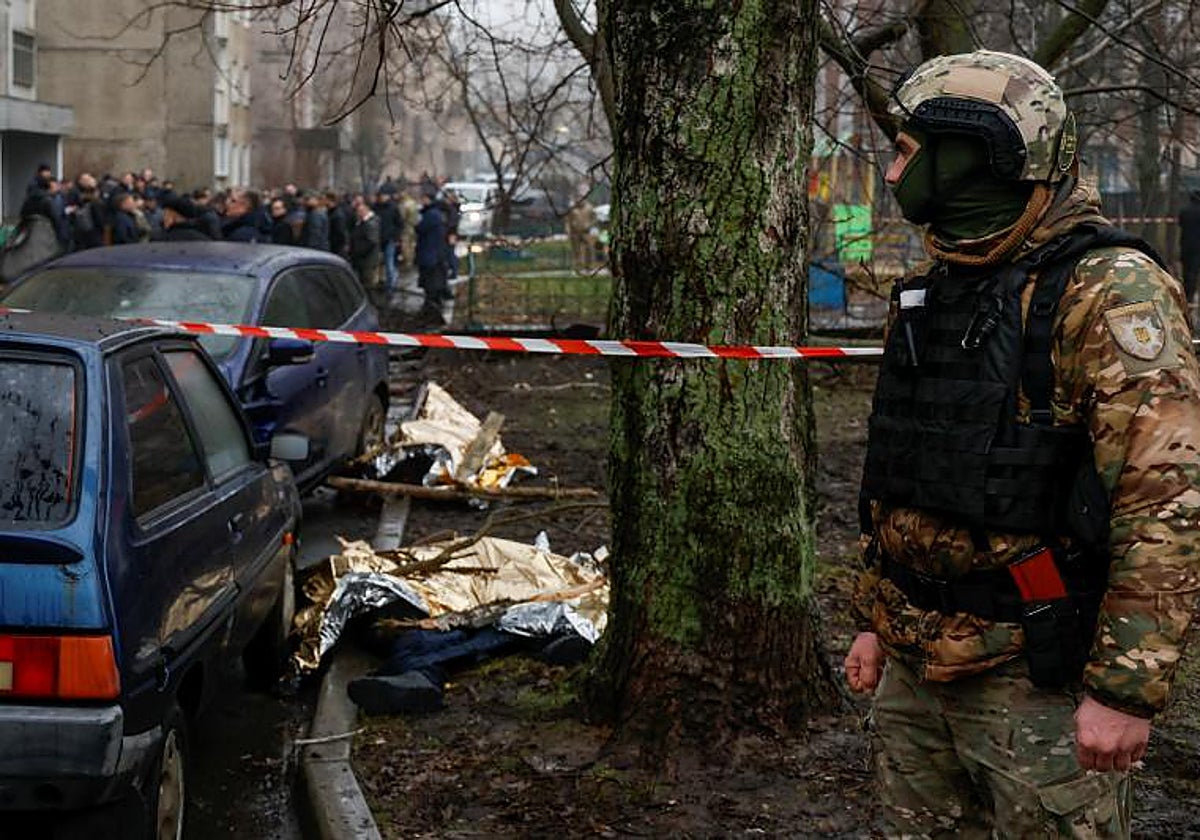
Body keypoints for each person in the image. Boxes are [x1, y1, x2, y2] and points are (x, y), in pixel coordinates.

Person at [846, 50, 1200, 838]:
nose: (893, 165)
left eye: (907, 148)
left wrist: (1123, 690)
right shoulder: (938, 282)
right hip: (915, 669)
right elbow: (902, 467)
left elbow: (1167, 500)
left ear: (975, 155)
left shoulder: (1107, 289)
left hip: (1034, 676)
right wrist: (875, 618)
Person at [415, 190, 448, 321]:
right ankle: (431, 307)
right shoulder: (434, 213)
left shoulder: (431, 214)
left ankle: (432, 309)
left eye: (423, 198)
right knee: (432, 282)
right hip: (433, 253)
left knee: (431, 283)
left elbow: (420, 228)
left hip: (430, 254)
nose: (421, 201)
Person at [349, 194, 381, 287]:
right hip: (363, 258)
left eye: (360, 212)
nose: (358, 214)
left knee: (367, 285)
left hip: (367, 259)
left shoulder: (370, 224)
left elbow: (371, 242)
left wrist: (358, 251)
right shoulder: (362, 222)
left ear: (366, 211)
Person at [374, 192, 401, 292]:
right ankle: (381, 282)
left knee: (389, 263)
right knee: (380, 263)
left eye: (384, 195)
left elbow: (399, 223)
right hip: (378, 238)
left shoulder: (393, 208)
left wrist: (396, 237)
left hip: (389, 239)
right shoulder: (375, 207)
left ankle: (391, 285)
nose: (382, 198)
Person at [1179, 190, 1200, 310]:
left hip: (1186, 247)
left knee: (1188, 275)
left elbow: (1181, 224)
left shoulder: (1184, 211)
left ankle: (1189, 301)